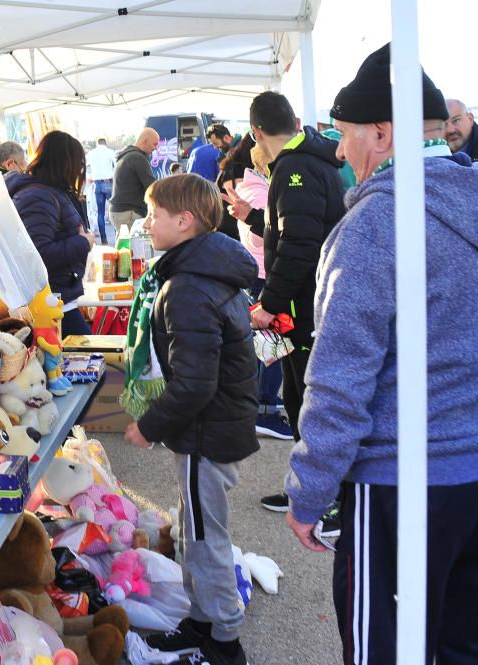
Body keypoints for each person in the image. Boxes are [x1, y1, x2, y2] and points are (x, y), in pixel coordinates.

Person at [286, 43, 478, 664]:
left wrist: (308, 490)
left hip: (403, 481)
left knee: (388, 649)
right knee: (468, 644)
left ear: (382, 132)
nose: (340, 150)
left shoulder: (377, 223)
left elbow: (341, 378)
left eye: (345, 135)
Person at [124, 174, 258, 665]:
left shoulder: (186, 286)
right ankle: (201, 623)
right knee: (196, 533)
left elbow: (195, 382)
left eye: (154, 214)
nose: (147, 223)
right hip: (216, 427)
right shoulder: (203, 272)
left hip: (208, 432)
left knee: (204, 541)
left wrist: (150, 424)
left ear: (184, 221)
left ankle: (224, 641)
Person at [226, 91, 346, 516]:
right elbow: (289, 230)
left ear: (256, 131)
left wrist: (268, 303)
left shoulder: (295, 168)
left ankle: (328, 498)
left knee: (313, 406)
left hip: (305, 308)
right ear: (294, 121)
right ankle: (308, 490)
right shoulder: (303, 162)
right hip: (303, 307)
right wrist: (251, 217)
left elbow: (299, 245)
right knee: (298, 399)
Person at [218, 136, 292, 440]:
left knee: (268, 344)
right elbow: (262, 236)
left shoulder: (251, 187)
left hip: (259, 272)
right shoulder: (259, 190)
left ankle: (265, 403)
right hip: (264, 274)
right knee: (273, 346)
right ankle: (264, 409)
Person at [5, 130, 93, 336]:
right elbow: (39, 254)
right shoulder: (38, 196)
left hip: (57, 300)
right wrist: (83, 243)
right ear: (66, 164)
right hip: (50, 304)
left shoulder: (45, 192)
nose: (80, 171)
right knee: (87, 360)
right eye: (78, 164)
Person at [110, 127, 159, 229]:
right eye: (155, 144)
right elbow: (152, 186)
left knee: (124, 243)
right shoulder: (138, 157)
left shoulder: (127, 155)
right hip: (128, 212)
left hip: (120, 211)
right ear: (145, 141)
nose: (156, 148)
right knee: (133, 244)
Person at [85, 137, 117, 244]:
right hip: (108, 182)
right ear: (105, 143)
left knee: (100, 212)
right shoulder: (110, 152)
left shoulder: (91, 153)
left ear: (97, 143)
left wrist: (89, 177)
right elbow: (117, 166)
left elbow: (83, 165)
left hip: (97, 183)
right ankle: (118, 235)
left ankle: (104, 238)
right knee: (114, 210)